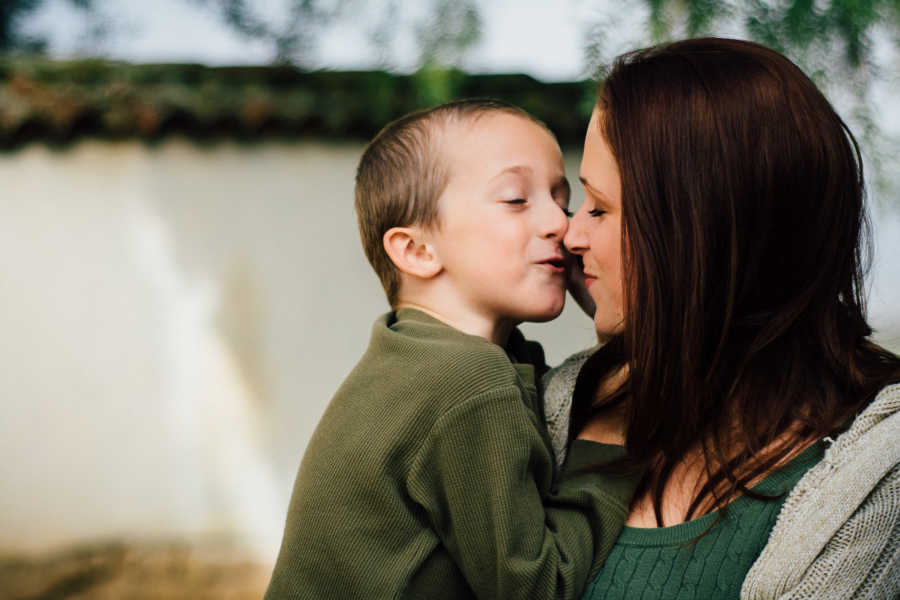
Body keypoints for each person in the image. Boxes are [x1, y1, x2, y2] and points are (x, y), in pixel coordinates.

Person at [544, 38, 900, 598]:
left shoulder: (877, 474)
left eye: (600, 207)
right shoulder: (549, 412)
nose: (571, 233)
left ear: (697, 235)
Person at [264, 99, 640, 599]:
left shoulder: (417, 354)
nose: (563, 225)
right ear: (418, 251)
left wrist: (612, 304)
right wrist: (611, 439)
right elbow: (541, 589)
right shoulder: (464, 382)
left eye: (562, 198)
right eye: (515, 200)